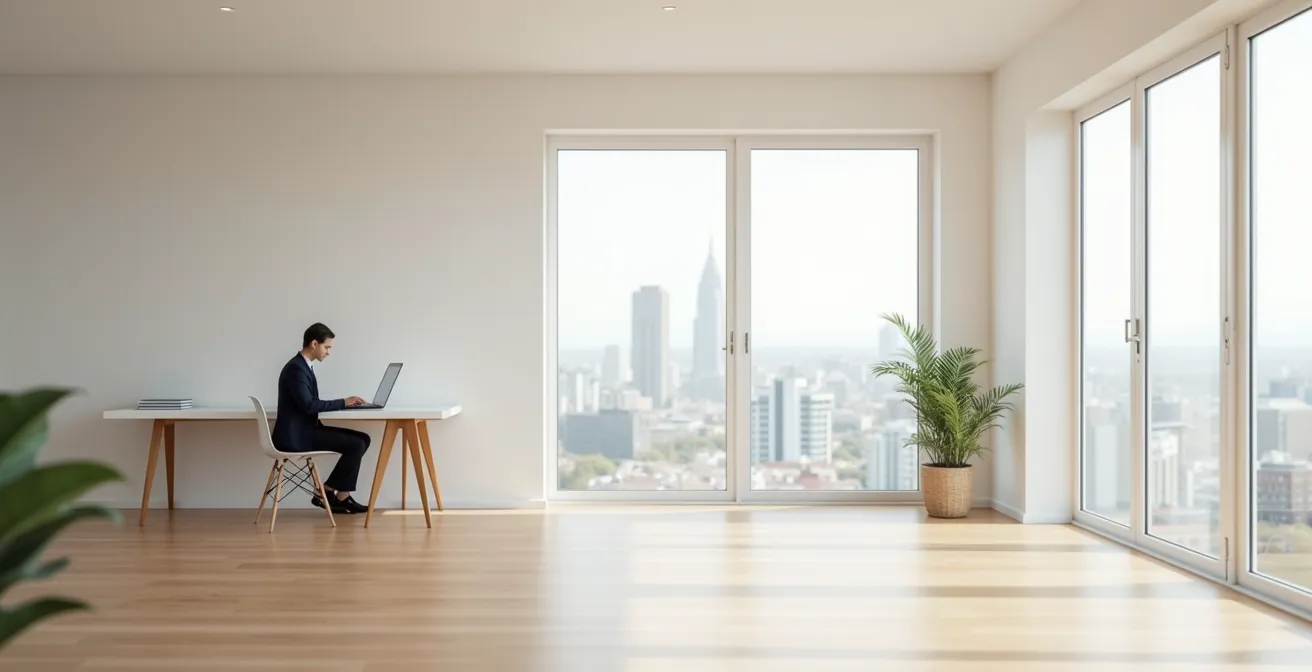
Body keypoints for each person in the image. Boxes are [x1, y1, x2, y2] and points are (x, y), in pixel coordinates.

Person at [272, 322, 371, 514]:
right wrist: (344, 402)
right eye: (327, 347)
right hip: (296, 438)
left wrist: (345, 403)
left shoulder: (303, 366)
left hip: (306, 431)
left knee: (363, 440)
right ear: (314, 343)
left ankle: (340, 496)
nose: (329, 352)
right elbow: (309, 405)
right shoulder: (296, 369)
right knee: (356, 444)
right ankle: (326, 492)